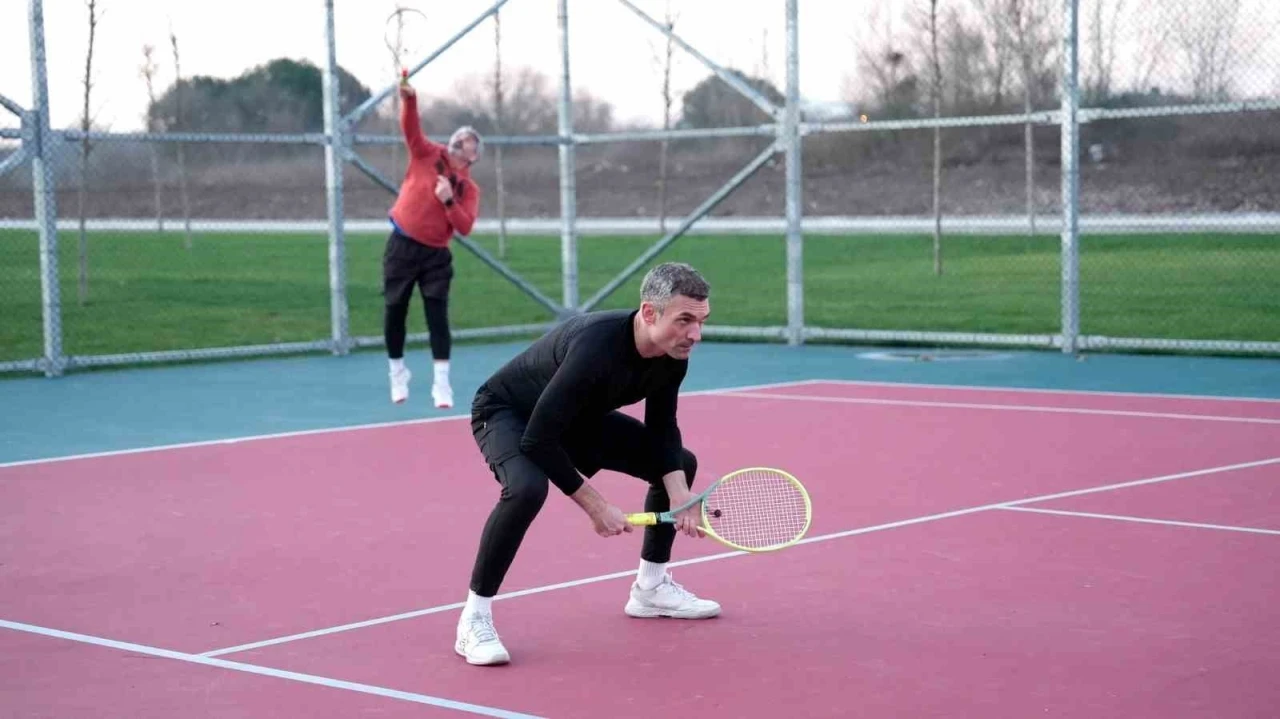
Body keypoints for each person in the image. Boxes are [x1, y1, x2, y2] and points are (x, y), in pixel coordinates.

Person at [455, 262, 721, 666]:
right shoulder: (595, 347)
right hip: (509, 413)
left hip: (575, 419)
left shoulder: (672, 354)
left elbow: (663, 427)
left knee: (679, 464)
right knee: (527, 489)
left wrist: (680, 494)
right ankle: (473, 619)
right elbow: (538, 440)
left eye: (701, 321)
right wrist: (596, 506)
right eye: (685, 320)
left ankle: (650, 590)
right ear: (649, 313)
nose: (695, 334)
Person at [383, 73, 482, 409]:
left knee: (436, 316)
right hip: (402, 245)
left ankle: (441, 383)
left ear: (473, 155)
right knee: (395, 309)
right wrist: (409, 99)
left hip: (436, 256)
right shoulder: (427, 154)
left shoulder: (468, 188)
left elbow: (465, 226)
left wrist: (448, 201)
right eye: (461, 138)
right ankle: (397, 372)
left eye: (470, 142)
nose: (463, 142)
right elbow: (411, 129)